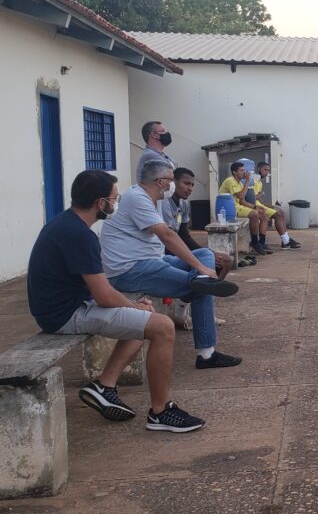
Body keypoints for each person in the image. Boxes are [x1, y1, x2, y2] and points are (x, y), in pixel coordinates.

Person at [28, 170, 204, 432]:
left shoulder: (66, 224)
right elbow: (103, 295)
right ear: (101, 203)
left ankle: (104, 386)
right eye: (114, 198)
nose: (115, 204)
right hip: (65, 314)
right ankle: (160, 412)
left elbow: (97, 287)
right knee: (163, 327)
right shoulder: (79, 235)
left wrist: (134, 307)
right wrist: (131, 306)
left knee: (144, 318)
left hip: (66, 304)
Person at [103, 159, 242, 370]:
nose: (172, 186)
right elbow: (167, 235)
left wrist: (202, 265)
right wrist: (203, 268)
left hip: (152, 261)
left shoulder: (150, 199)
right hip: (131, 270)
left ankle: (198, 282)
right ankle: (206, 355)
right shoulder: (137, 198)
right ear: (160, 182)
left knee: (205, 254)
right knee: (200, 285)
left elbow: (177, 236)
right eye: (170, 180)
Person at [163, 167, 232, 279]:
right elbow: (167, 241)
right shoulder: (164, 203)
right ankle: (201, 290)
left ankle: (213, 288)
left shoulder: (183, 203)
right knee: (210, 260)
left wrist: (208, 252)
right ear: (173, 182)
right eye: (186, 183)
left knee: (226, 260)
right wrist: (200, 256)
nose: (190, 188)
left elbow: (185, 236)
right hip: (166, 252)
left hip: (178, 247)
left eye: (192, 185)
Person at [219, 162, 273, 256]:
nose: (244, 172)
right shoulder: (230, 180)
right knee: (254, 214)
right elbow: (240, 196)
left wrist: (256, 207)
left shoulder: (239, 183)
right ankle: (254, 241)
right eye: (241, 170)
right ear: (234, 172)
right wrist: (248, 181)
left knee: (264, 215)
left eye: (244, 170)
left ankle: (261, 242)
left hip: (236, 206)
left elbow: (242, 202)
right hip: (227, 209)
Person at [255, 162, 300, 249]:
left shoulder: (260, 182)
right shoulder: (254, 181)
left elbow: (260, 201)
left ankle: (286, 239)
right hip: (253, 205)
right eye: (265, 170)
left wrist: (270, 206)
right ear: (259, 169)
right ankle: (285, 242)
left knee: (281, 211)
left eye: (268, 170)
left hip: (259, 204)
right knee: (277, 215)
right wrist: (261, 195)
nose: (267, 172)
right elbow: (252, 198)